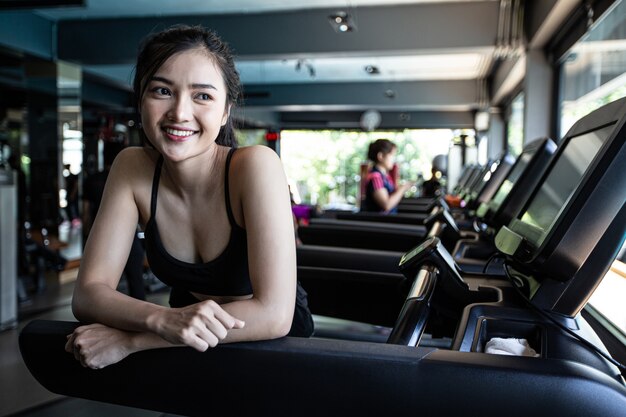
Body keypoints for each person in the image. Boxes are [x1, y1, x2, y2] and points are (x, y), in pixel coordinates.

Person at [65, 25, 313, 370]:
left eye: (202, 96)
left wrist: (135, 339)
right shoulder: (132, 167)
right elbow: (88, 292)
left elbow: (273, 315)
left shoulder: (255, 166)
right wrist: (162, 320)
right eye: (162, 90)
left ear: (226, 110)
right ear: (141, 100)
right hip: (184, 346)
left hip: (270, 347)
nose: (179, 113)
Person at [82, 140, 147, 301]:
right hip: (130, 240)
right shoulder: (131, 180)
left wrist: (87, 235)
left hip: (102, 239)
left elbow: (85, 212)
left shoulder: (93, 180)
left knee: (103, 291)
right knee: (136, 285)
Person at [361, 139, 413, 213]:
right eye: (392, 155)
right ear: (381, 156)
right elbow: (386, 205)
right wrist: (402, 188)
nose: (394, 159)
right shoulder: (375, 177)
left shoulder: (384, 176)